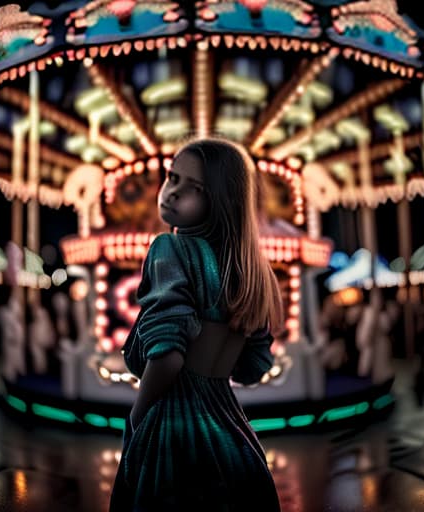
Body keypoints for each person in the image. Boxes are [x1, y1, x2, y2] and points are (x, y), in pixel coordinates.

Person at [109, 137, 284, 511]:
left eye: (195, 188)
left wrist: (137, 419)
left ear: (221, 201)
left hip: (172, 427)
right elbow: (253, 368)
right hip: (232, 432)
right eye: (172, 178)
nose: (172, 193)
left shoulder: (169, 249)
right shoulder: (254, 273)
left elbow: (168, 356)